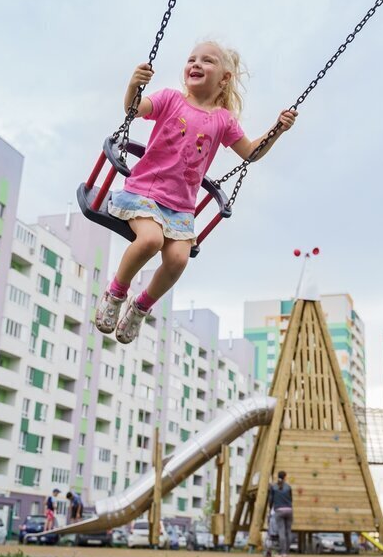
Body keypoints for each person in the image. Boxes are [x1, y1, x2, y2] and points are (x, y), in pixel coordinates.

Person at [95, 41, 297, 344]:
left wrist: (277, 130)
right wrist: (133, 86)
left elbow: (251, 153)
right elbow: (133, 109)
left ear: (224, 78)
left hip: (180, 208)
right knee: (150, 240)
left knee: (178, 260)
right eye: (192, 59)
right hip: (144, 192)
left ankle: (140, 307)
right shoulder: (169, 99)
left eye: (208, 61)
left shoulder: (223, 120)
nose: (197, 64)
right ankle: (116, 292)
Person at [266, 470, 293, 557]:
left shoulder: (274, 487)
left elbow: (271, 500)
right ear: (285, 477)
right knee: (288, 531)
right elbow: (291, 499)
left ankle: (282, 553)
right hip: (289, 510)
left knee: (281, 531)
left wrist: (271, 508)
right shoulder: (288, 487)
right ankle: (287, 552)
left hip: (279, 510)